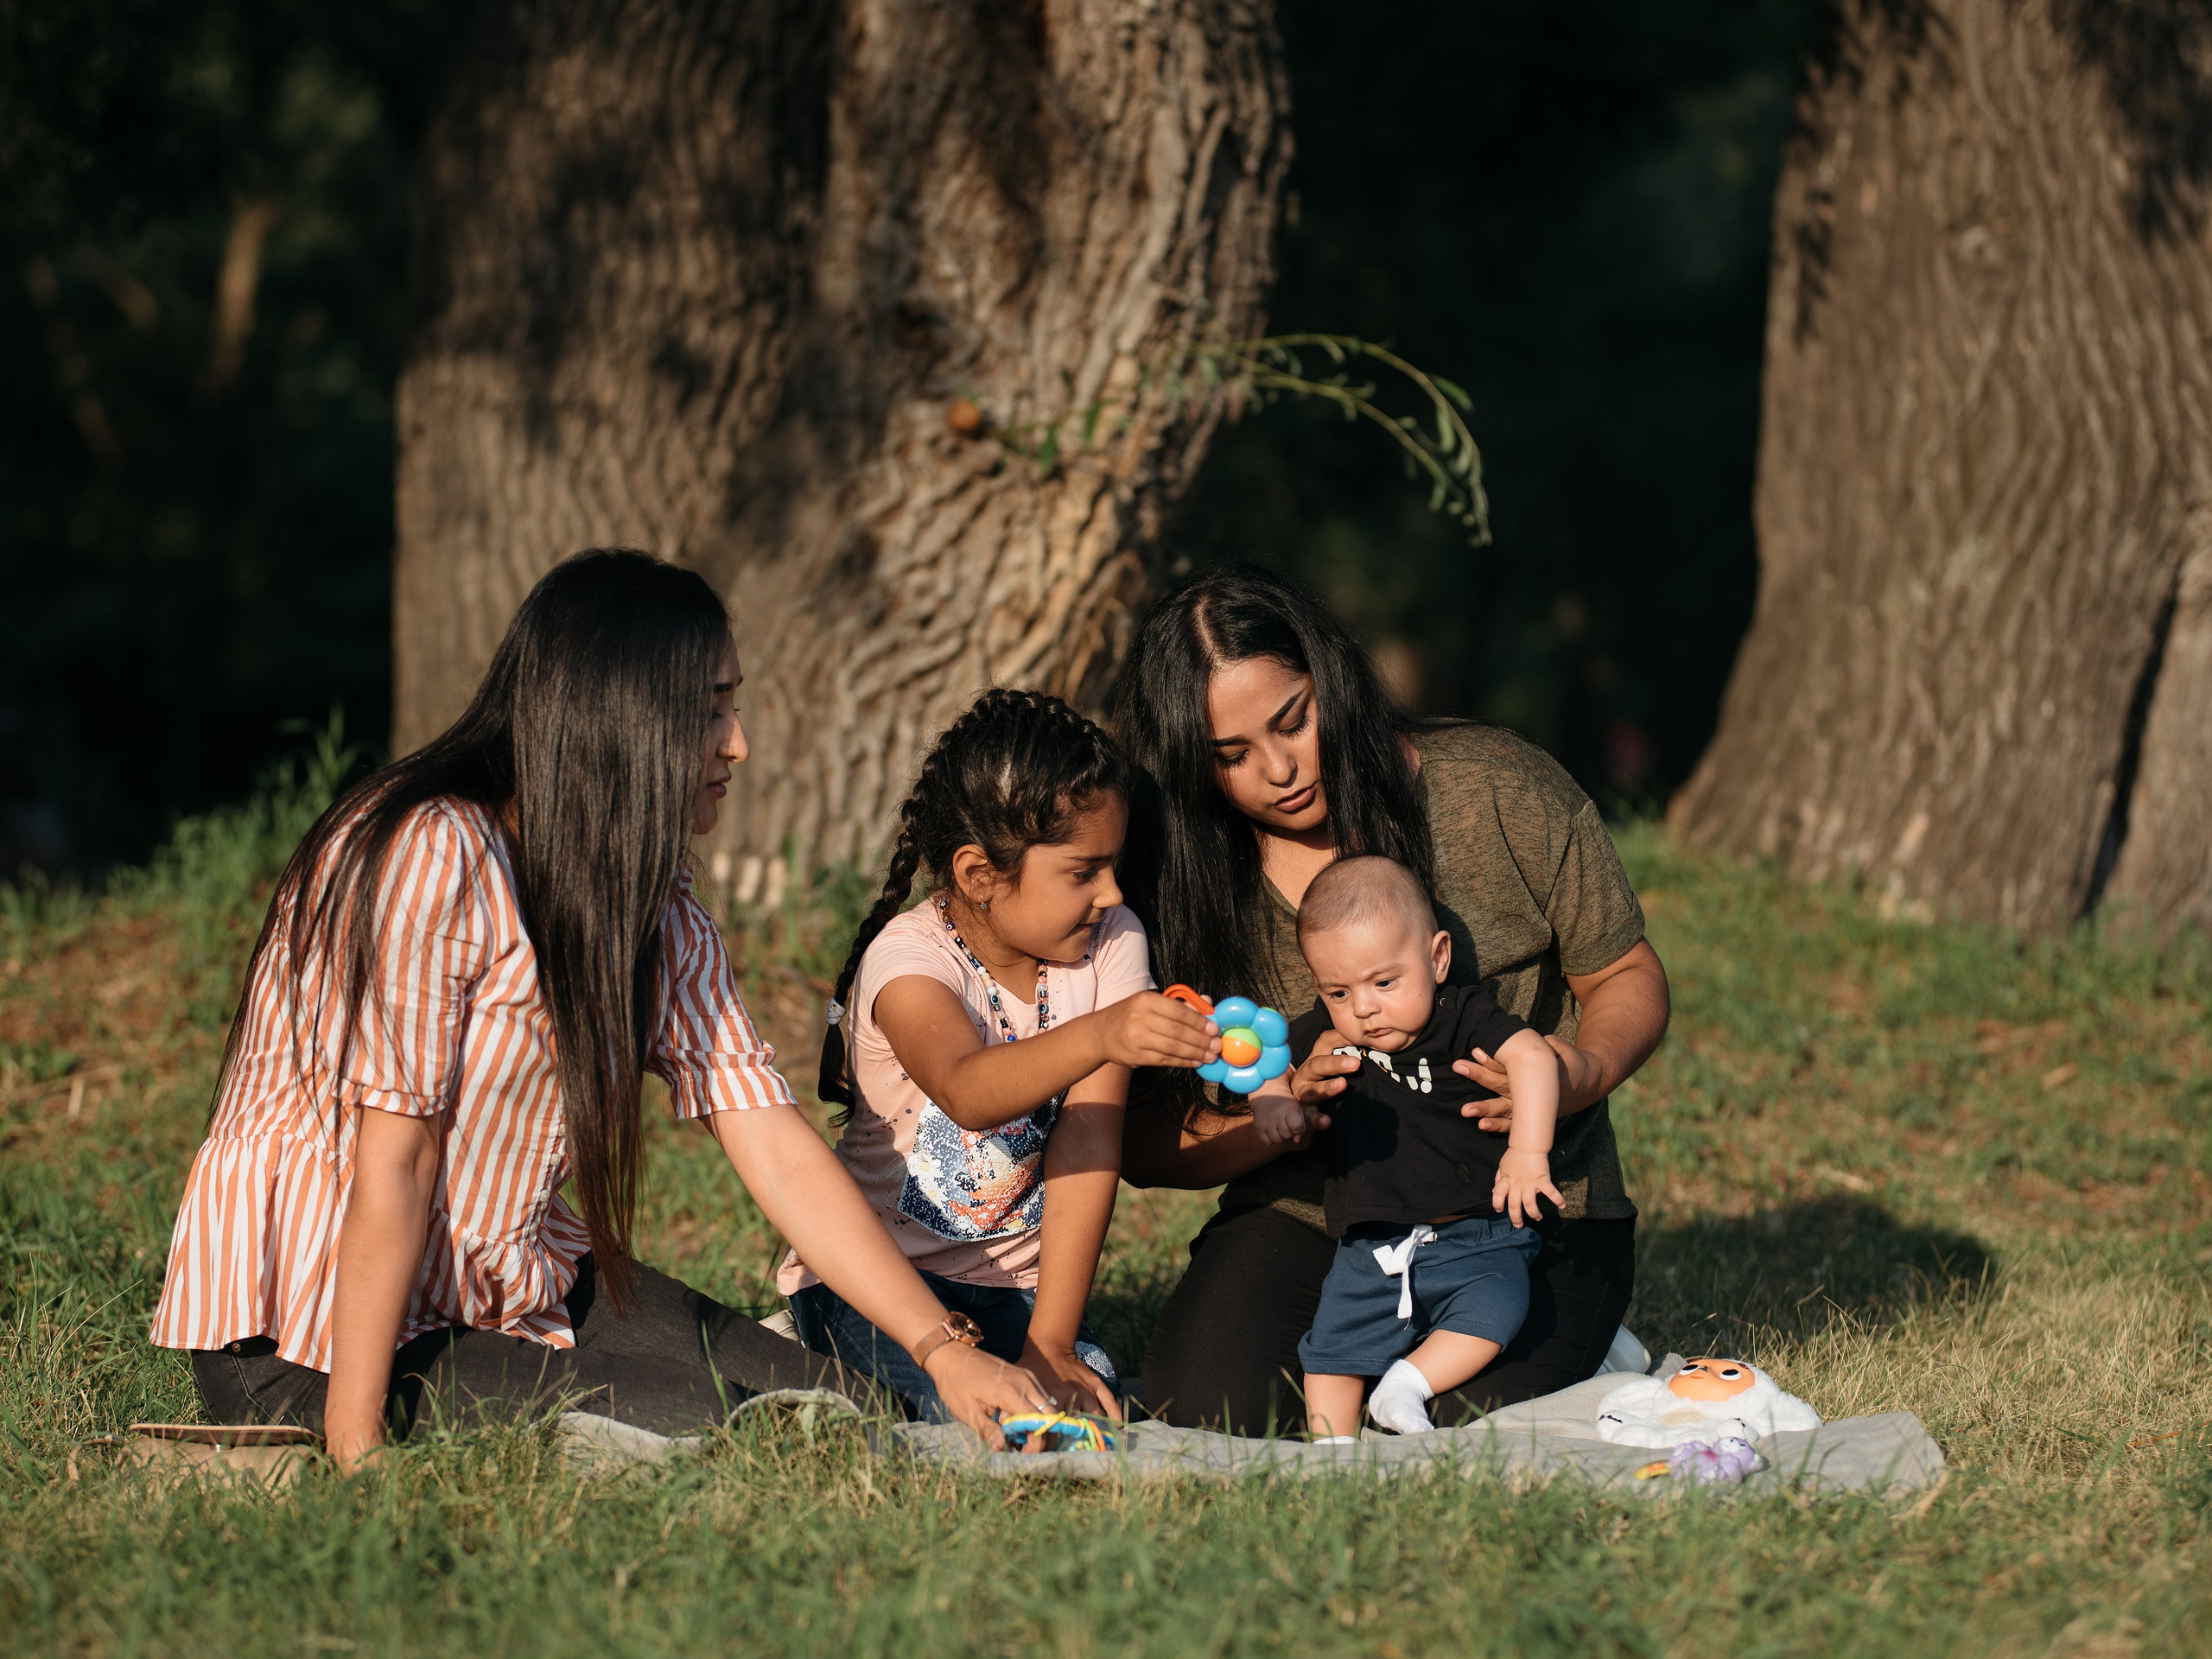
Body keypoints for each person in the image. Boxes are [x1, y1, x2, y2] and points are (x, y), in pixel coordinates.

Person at [149, 549, 1052, 1471]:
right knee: (721, 1433)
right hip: (317, 1334)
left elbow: (772, 1142)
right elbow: (398, 1156)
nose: (735, 744)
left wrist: (946, 1352)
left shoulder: (645, 894)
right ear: (622, 717)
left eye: (731, 706)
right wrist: (354, 1442)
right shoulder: (432, 851)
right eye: (708, 711)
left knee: (856, 1409)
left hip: (498, 1285)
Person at [1116, 563, 1672, 1433]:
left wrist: (1581, 1070)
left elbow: (1624, 973)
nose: (1279, 768)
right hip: (1317, 1216)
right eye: (1230, 756)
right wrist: (1273, 1119)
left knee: (1445, 1422)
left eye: (1293, 721)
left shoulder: (1496, 789)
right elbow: (1145, 1142)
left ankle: (1578, 1340)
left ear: (1329, 677)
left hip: (1516, 1208)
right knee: (1208, 1412)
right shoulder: (1174, 881)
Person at [787, 690, 1219, 1421]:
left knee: (1084, 1408)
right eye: (1084, 872)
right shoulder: (909, 963)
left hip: (1021, 1291)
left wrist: (1052, 1343)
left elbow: (1088, 1138)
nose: (1111, 892)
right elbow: (966, 1089)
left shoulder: (1113, 940)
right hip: (879, 1283)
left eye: (1114, 865)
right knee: (967, 1419)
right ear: (981, 876)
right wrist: (1104, 1034)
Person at [1245, 855, 1561, 1440]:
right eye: (1339, 991)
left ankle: (1405, 1386)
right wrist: (1274, 1096)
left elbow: (1535, 1057)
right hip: (1374, 1243)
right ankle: (1334, 1451)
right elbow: (1270, 1055)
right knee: (1332, 1348)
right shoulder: (1329, 1031)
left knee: (1497, 1309)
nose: (1363, 1007)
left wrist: (1528, 1152)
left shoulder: (1463, 1014)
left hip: (1477, 1233)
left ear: (1437, 958)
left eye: (1384, 983)